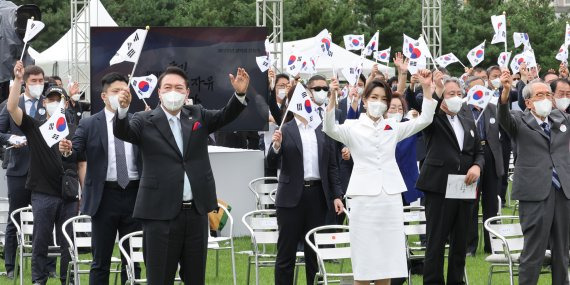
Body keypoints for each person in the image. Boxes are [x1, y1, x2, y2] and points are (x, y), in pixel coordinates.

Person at [113, 66, 249, 284]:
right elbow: (124, 131)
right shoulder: (144, 119)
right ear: (159, 92)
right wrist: (122, 111)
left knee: (195, 278)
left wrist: (239, 94)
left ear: (187, 93)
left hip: (195, 213)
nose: (173, 91)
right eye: (167, 87)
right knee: (159, 278)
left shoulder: (197, 115)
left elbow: (225, 115)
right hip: (159, 214)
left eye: (178, 87)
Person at [324, 70, 437, 285]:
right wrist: (332, 98)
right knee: (365, 263)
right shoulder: (352, 126)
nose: (379, 103)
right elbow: (329, 128)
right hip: (363, 199)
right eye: (374, 98)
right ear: (364, 101)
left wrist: (426, 87)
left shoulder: (392, 127)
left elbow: (425, 119)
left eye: (384, 99)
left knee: (387, 261)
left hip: (390, 198)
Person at [59, 72, 142, 284]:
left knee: (133, 259)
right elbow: (76, 152)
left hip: (135, 194)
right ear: (104, 96)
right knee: (100, 260)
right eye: (115, 91)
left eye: (124, 91)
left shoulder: (137, 121)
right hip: (104, 197)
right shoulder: (89, 124)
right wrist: (67, 151)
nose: (121, 95)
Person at [7, 61, 79, 285]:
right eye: (51, 100)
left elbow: (80, 158)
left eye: (60, 100)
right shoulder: (35, 126)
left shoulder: (75, 129)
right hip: (42, 193)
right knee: (40, 240)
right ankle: (39, 280)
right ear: (44, 102)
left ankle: (67, 278)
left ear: (66, 104)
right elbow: (11, 109)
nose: (55, 104)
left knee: (68, 242)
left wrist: (69, 152)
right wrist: (18, 80)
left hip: (67, 194)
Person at [268, 80, 343, 285]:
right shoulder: (285, 129)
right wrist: (276, 146)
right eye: (302, 98)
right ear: (292, 103)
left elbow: (332, 166)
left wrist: (337, 195)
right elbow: (270, 162)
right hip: (290, 198)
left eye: (308, 98)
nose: (307, 101)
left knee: (313, 254)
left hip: (317, 196)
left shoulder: (323, 129)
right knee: (286, 255)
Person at [498, 71, 570, 284]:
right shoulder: (519, 122)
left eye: (549, 95)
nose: (546, 99)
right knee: (534, 251)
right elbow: (503, 116)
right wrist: (505, 93)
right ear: (528, 102)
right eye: (540, 96)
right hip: (535, 193)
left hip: (562, 192)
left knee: (562, 250)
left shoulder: (561, 119)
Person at [416, 76, 484, 285]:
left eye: (458, 94)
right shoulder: (433, 118)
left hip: (463, 185)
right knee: (436, 240)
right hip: (439, 186)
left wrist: (477, 166)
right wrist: (435, 89)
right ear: (442, 97)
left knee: (460, 240)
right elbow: (430, 108)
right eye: (450, 94)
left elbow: (479, 150)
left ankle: (457, 281)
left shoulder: (467, 119)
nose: (455, 97)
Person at [461, 76, 504, 255]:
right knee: (470, 202)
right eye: (475, 89)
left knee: (491, 203)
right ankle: (470, 246)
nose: (480, 92)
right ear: (467, 91)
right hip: (471, 158)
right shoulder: (462, 110)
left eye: (482, 88)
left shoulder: (492, 108)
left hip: (491, 156)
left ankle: (492, 245)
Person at [387, 92, 425, 206]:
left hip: (406, 182)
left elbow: (425, 124)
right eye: (393, 108)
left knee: (405, 218)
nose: (397, 111)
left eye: (400, 108)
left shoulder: (409, 126)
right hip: (387, 183)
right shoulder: (380, 127)